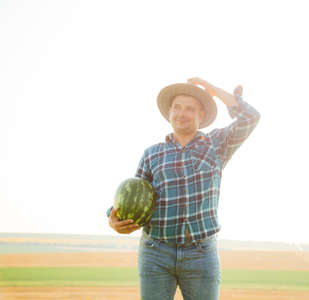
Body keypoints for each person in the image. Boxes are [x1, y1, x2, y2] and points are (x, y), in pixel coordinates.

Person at [108, 77, 260, 300]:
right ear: (169, 113)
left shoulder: (216, 144)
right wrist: (113, 218)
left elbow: (250, 117)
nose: (182, 113)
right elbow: (132, 197)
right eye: (177, 108)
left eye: (190, 109)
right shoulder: (152, 154)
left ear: (201, 115)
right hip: (155, 252)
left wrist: (215, 92)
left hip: (200, 253)